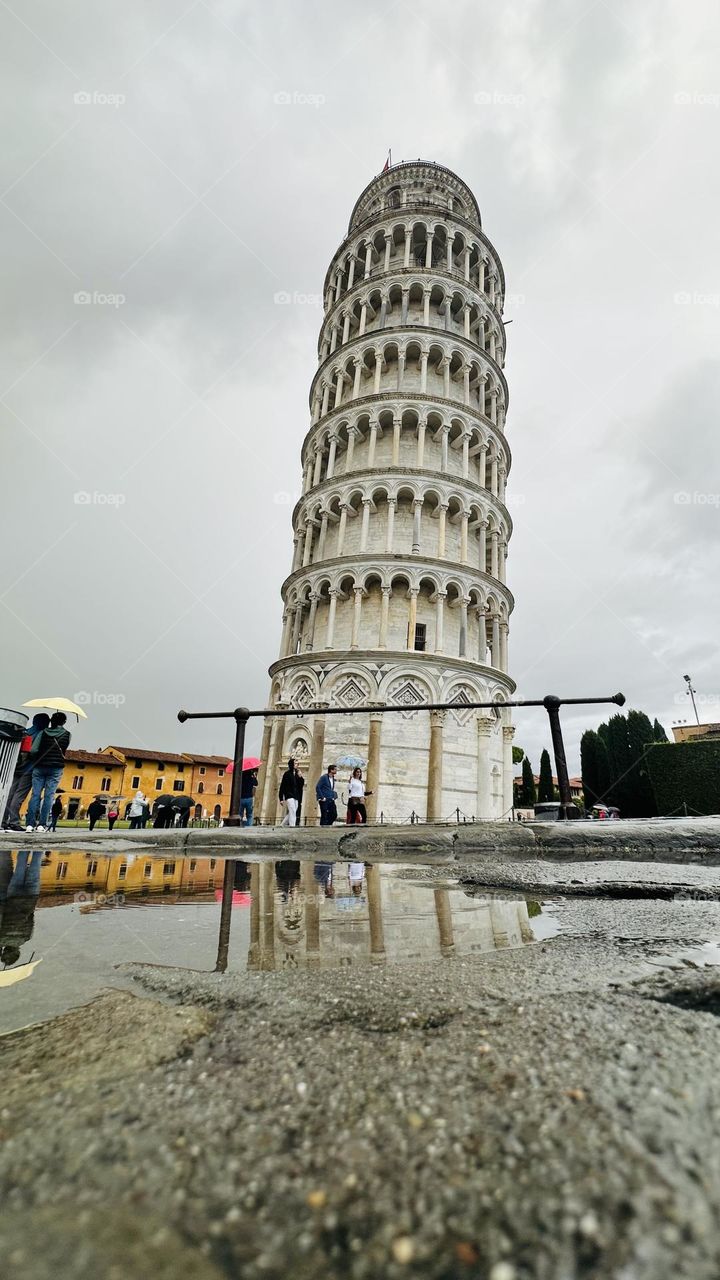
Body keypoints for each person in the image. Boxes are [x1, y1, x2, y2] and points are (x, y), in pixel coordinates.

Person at [2, 713, 50, 831]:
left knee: (10, 794)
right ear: (45, 723)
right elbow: (34, 752)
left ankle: (3, 820)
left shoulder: (25, 732)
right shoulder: (41, 734)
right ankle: (14, 822)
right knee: (19, 795)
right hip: (29, 768)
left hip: (16, 766)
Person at [25, 712, 71, 832]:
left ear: (51, 720)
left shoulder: (43, 732)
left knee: (35, 795)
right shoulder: (67, 734)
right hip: (56, 768)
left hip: (40, 766)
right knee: (49, 796)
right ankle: (42, 825)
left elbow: (33, 750)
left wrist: (37, 757)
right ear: (64, 722)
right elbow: (64, 748)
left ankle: (30, 824)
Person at [279, 759, 302, 827]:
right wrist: (281, 798)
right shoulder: (287, 774)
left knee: (293, 811)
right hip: (289, 795)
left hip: (296, 795)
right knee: (292, 811)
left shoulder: (297, 773)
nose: (297, 765)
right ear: (291, 764)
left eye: (297, 764)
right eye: (295, 763)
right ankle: (292, 826)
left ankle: (282, 825)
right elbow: (282, 786)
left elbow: (301, 785)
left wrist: (300, 777)